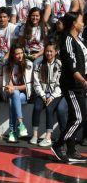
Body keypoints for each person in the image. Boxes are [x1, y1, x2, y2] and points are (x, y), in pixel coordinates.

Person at [51, 12, 87, 163]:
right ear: (74, 24)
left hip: (79, 84)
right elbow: (72, 68)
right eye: (80, 21)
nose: (83, 23)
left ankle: (71, 150)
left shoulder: (78, 39)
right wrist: (84, 82)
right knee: (80, 118)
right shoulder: (68, 41)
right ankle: (58, 145)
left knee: (75, 116)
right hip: (73, 85)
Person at [30, 41, 67, 147]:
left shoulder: (59, 64)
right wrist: (42, 95)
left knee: (49, 108)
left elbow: (60, 85)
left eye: (51, 51)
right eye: (47, 51)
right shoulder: (39, 64)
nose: (48, 53)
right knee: (37, 107)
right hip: (42, 93)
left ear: (56, 52)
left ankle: (48, 137)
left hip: (56, 94)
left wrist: (51, 96)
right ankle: (35, 135)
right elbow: (36, 84)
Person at [0, 43, 33, 143]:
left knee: (14, 97)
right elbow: (6, 85)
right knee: (14, 95)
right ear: (12, 55)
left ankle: (13, 131)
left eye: (22, 53)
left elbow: (27, 86)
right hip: (11, 93)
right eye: (17, 54)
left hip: (24, 95)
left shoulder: (28, 64)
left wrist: (14, 88)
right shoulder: (7, 66)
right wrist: (10, 88)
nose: (20, 55)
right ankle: (20, 125)